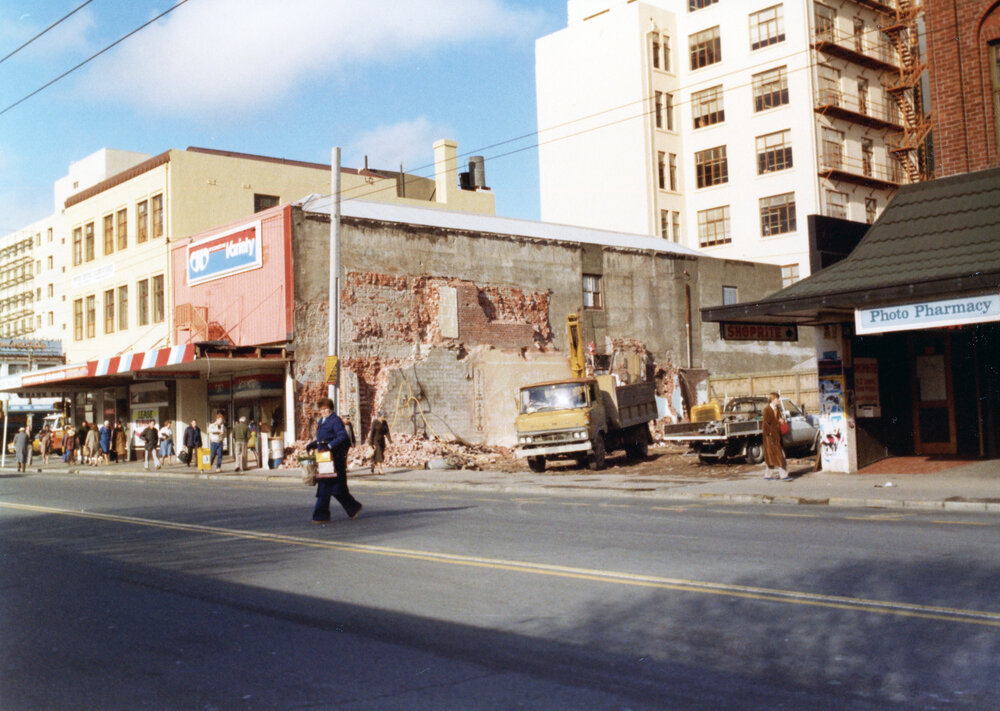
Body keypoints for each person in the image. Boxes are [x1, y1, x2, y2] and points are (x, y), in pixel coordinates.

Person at [306, 397, 362, 523]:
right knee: (336, 488)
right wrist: (313, 444)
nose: (324, 411)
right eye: (321, 409)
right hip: (324, 458)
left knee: (325, 487)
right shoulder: (322, 421)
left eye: (326, 409)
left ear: (331, 408)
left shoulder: (335, 420)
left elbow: (342, 436)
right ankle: (353, 508)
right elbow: (323, 439)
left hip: (333, 459)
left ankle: (321, 515)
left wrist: (329, 446)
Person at [762, 392, 790, 481]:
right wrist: (769, 434)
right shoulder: (767, 409)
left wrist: (781, 421)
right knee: (779, 456)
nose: (779, 400)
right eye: (778, 399)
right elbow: (766, 424)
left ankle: (767, 475)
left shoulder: (777, 409)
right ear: (773, 399)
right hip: (770, 437)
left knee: (773, 457)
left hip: (777, 436)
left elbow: (777, 420)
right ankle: (784, 475)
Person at [367, 409, 392, 475]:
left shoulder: (384, 423)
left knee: (379, 454)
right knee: (379, 454)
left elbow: (387, 432)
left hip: (382, 441)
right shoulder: (375, 422)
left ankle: (373, 463)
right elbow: (372, 433)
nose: (384, 418)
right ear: (380, 416)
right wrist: (370, 444)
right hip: (375, 441)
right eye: (384, 416)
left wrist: (390, 441)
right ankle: (380, 470)